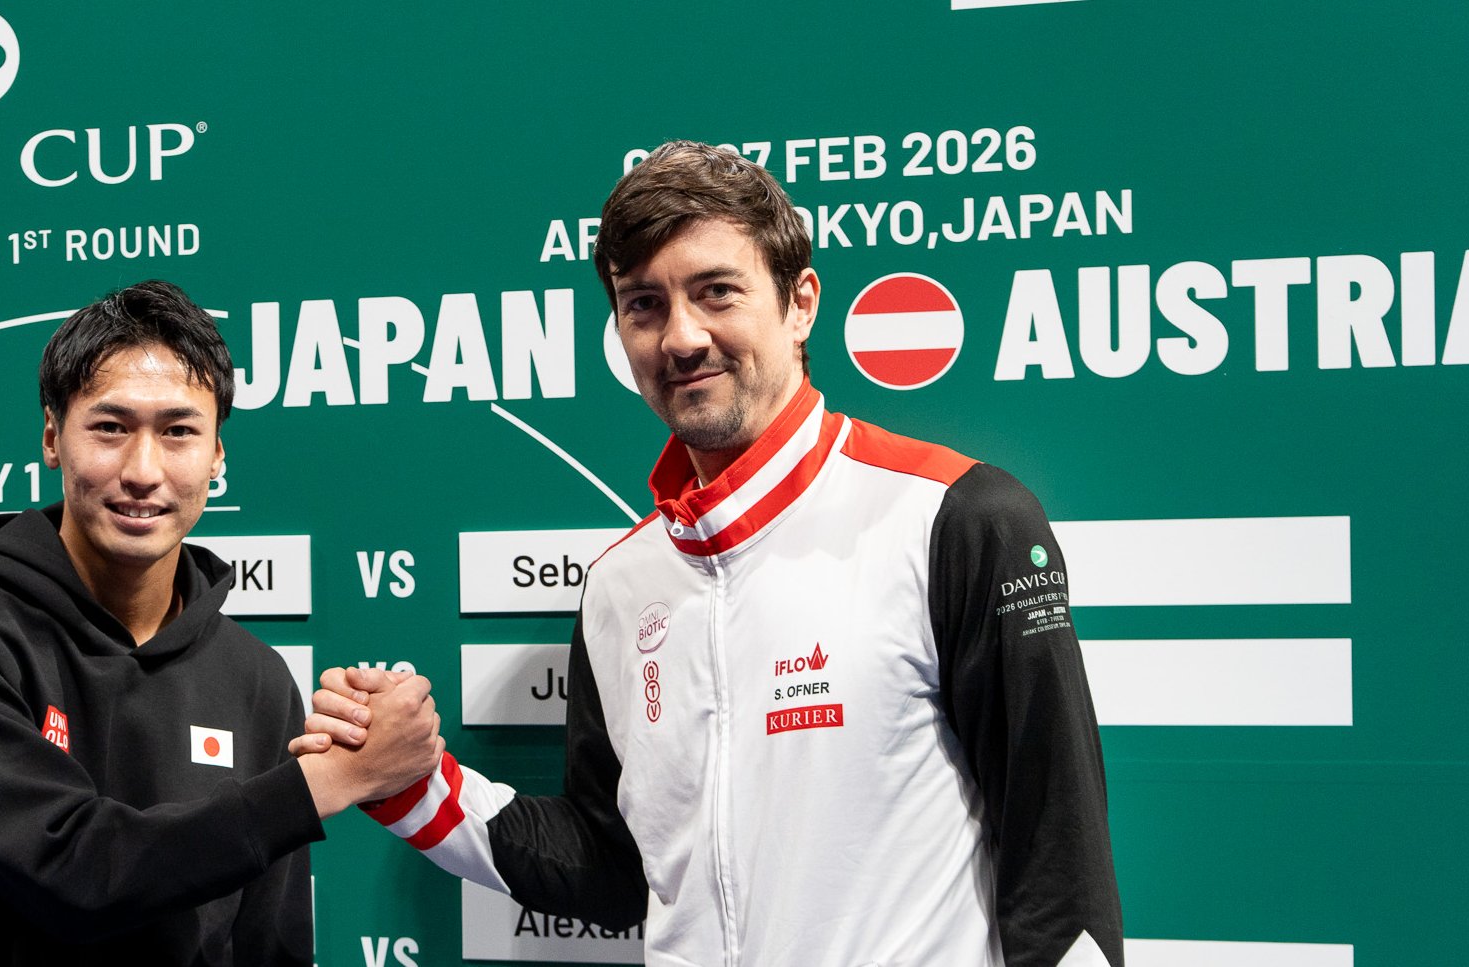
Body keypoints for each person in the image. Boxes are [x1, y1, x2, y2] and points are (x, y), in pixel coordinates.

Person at [298, 142, 1124, 966]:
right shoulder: (620, 584)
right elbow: (612, 867)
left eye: (716, 292)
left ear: (800, 304)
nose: (682, 337)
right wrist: (413, 784)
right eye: (643, 305)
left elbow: (1058, 871)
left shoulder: (956, 516)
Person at [0, 281, 443, 966]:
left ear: (217, 455)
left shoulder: (255, 678)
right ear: (52, 438)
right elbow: (70, 872)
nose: (143, 470)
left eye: (178, 431)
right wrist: (329, 780)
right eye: (111, 427)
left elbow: (267, 945)